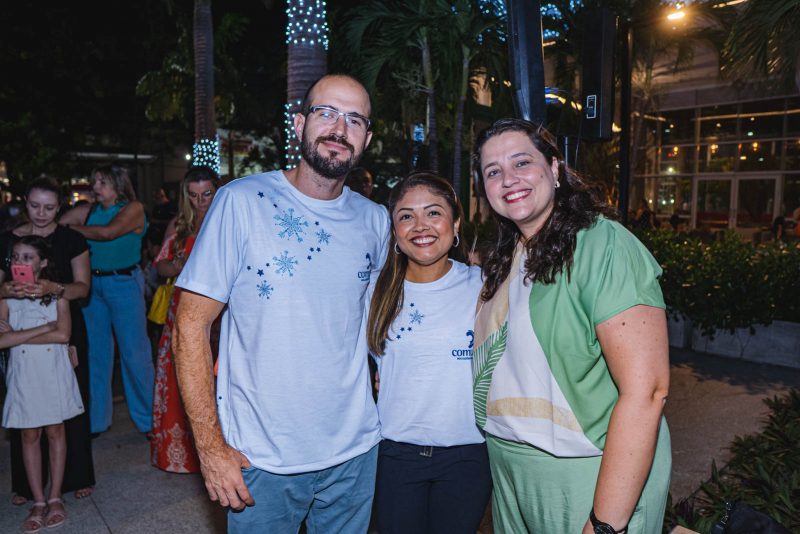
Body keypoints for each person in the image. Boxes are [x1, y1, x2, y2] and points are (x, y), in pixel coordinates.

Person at [173, 73, 389, 533]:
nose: (338, 128)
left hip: (355, 454)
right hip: (262, 458)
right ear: (299, 123)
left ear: (366, 138)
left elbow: (377, 329)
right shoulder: (241, 202)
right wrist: (210, 449)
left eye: (354, 119)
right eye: (326, 113)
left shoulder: (376, 220)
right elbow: (189, 326)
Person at [471, 118, 671, 533]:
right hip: (510, 467)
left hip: (587, 471)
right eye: (493, 171)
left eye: (522, 162)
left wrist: (604, 524)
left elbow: (648, 391)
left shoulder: (602, 244)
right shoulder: (507, 258)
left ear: (555, 169)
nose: (508, 179)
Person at [366, 172, 491, 533]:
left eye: (433, 213)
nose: (420, 226)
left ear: (455, 224)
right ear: (394, 231)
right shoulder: (372, 292)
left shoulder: (485, 287)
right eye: (406, 216)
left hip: (469, 454)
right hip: (393, 454)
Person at [0, 177, 95, 505]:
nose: (41, 213)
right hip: (20, 325)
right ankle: (28, 486)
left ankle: (78, 476)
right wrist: (6, 291)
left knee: (69, 401)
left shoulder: (71, 239)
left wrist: (52, 289)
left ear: (61, 206)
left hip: (62, 321)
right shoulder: (8, 241)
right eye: (35, 205)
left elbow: (83, 287)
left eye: (50, 207)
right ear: (25, 201)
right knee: (25, 405)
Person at [60, 164, 154, 436]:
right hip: (91, 286)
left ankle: (149, 421)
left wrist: (73, 230)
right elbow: (55, 225)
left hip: (123, 283)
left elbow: (108, 233)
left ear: (118, 184)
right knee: (96, 354)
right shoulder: (87, 210)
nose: (95, 187)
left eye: (102, 182)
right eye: (94, 181)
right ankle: (97, 422)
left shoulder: (132, 208)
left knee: (134, 354)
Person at [1, 236, 83, 533]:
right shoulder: (5, 298)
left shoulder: (56, 295)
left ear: (43, 263)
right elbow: (1, 340)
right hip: (23, 373)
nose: (21, 263)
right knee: (28, 435)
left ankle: (55, 495)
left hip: (52, 369)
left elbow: (63, 336)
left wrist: (20, 334)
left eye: (28, 257)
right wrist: (44, 328)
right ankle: (38, 501)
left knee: (55, 431)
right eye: (16, 257)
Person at [150, 166, 221, 473]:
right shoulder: (179, 225)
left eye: (206, 194)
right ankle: (180, 456)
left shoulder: (226, 222)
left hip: (221, 313)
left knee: (217, 379)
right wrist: (179, 262)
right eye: (193, 195)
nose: (200, 201)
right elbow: (160, 267)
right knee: (180, 377)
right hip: (182, 309)